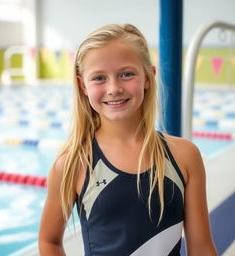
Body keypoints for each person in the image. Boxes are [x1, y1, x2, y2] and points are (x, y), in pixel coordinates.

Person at [38, 24, 217, 256]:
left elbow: (201, 247)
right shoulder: (74, 163)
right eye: (99, 78)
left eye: (126, 74)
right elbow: (49, 241)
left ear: (148, 77)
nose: (114, 88)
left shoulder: (184, 155)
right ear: (83, 85)